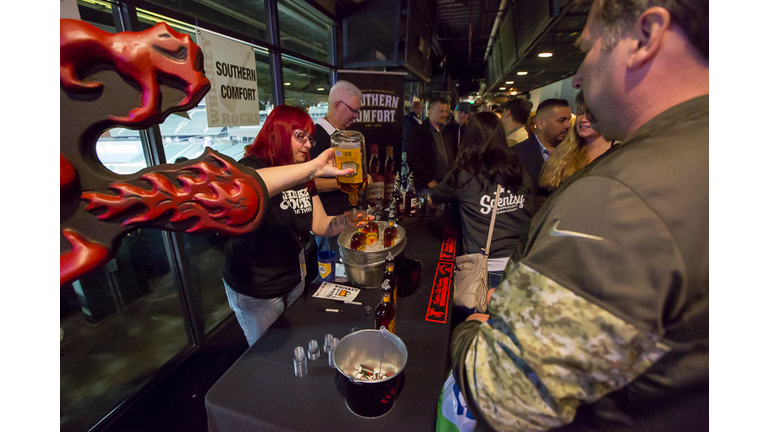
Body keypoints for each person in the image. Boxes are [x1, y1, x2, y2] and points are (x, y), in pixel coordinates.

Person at [450, 0, 709, 430]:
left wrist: (475, 331)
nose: (578, 76)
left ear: (646, 36)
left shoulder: (619, 196)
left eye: (589, 49)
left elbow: (503, 394)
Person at [223, 105, 363, 346]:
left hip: (294, 280)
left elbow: (319, 224)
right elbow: (252, 187)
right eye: (301, 136)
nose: (309, 145)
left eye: (310, 138)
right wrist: (313, 169)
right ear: (277, 132)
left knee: (292, 346)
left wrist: (345, 221)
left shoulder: (303, 175)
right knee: (268, 356)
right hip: (258, 290)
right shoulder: (250, 167)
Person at [430, 112, 534, 290]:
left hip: (487, 270)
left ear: (469, 137)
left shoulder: (464, 173)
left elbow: (434, 198)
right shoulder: (519, 169)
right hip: (522, 264)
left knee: (479, 317)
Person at [309, 80, 363, 257]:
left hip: (348, 216)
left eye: (358, 111)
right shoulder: (314, 137)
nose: (356, 116)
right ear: (337, 105)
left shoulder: (346, 138)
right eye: (353, 110)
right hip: (327, 222)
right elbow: (308, 182)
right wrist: (349, 181)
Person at [539, 91, 613, 191]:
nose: (583, 119)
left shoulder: (618, 151)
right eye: (580, 113)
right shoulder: (563, 151)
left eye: (590, 114)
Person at [511, 98, 572, 208]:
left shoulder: (574, 153)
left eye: (569, 120)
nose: (568, 125)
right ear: (540, 123)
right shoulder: (516, 155)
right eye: (561, 120)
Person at [406, 97, 456, 196]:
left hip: (445, 185)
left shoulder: (446, 132)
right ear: (430, 111)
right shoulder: (418, 132)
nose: (444, 114)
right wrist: (428, 181)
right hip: (427, 187)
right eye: (441, 111)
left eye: (446, 111)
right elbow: (413, 159)